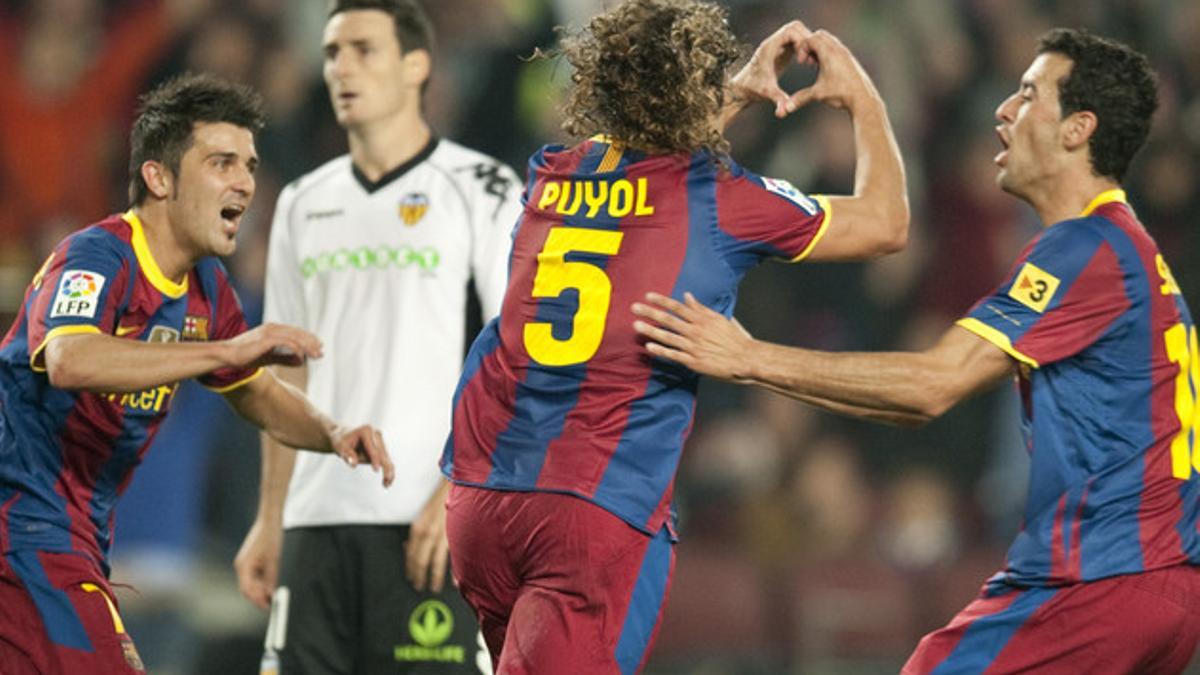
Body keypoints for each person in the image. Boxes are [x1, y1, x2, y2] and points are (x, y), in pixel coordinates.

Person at [633, 28, 1200, 674]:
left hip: (1100, 580)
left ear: (1078, 129)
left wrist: (748, 356)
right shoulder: (1128, 252)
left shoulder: (1086, 248)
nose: (1003, 111)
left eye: (1027, 93)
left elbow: (933, 383)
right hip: (1160, 584)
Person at [440, 0, 910, 671]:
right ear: (694, 90)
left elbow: (651, 155)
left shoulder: (555, 172)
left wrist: (735, 92)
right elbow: (886, 222)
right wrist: (862, 96)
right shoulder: (720, 197)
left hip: (480, 501)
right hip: (589, 513)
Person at [0, 73, 393, 675]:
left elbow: (255, 392)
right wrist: (224, 352)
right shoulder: (98, 256)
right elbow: (69, 359)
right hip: (23, 526)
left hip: (71, 534)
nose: (244, 182)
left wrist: (333, 434)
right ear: (158, 177)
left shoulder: (207, 291)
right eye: (221, 162)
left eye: (250, 166)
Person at [232, 1, 521, 672]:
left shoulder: (480, 188)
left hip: (426, 517)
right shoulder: (304, 202)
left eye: (364, 49)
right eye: (333, 53)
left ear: (417, 65)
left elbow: (517, 355)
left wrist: (459, 490)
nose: (342, 68)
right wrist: (270, 515)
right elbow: (285, 372)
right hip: (314, 518)